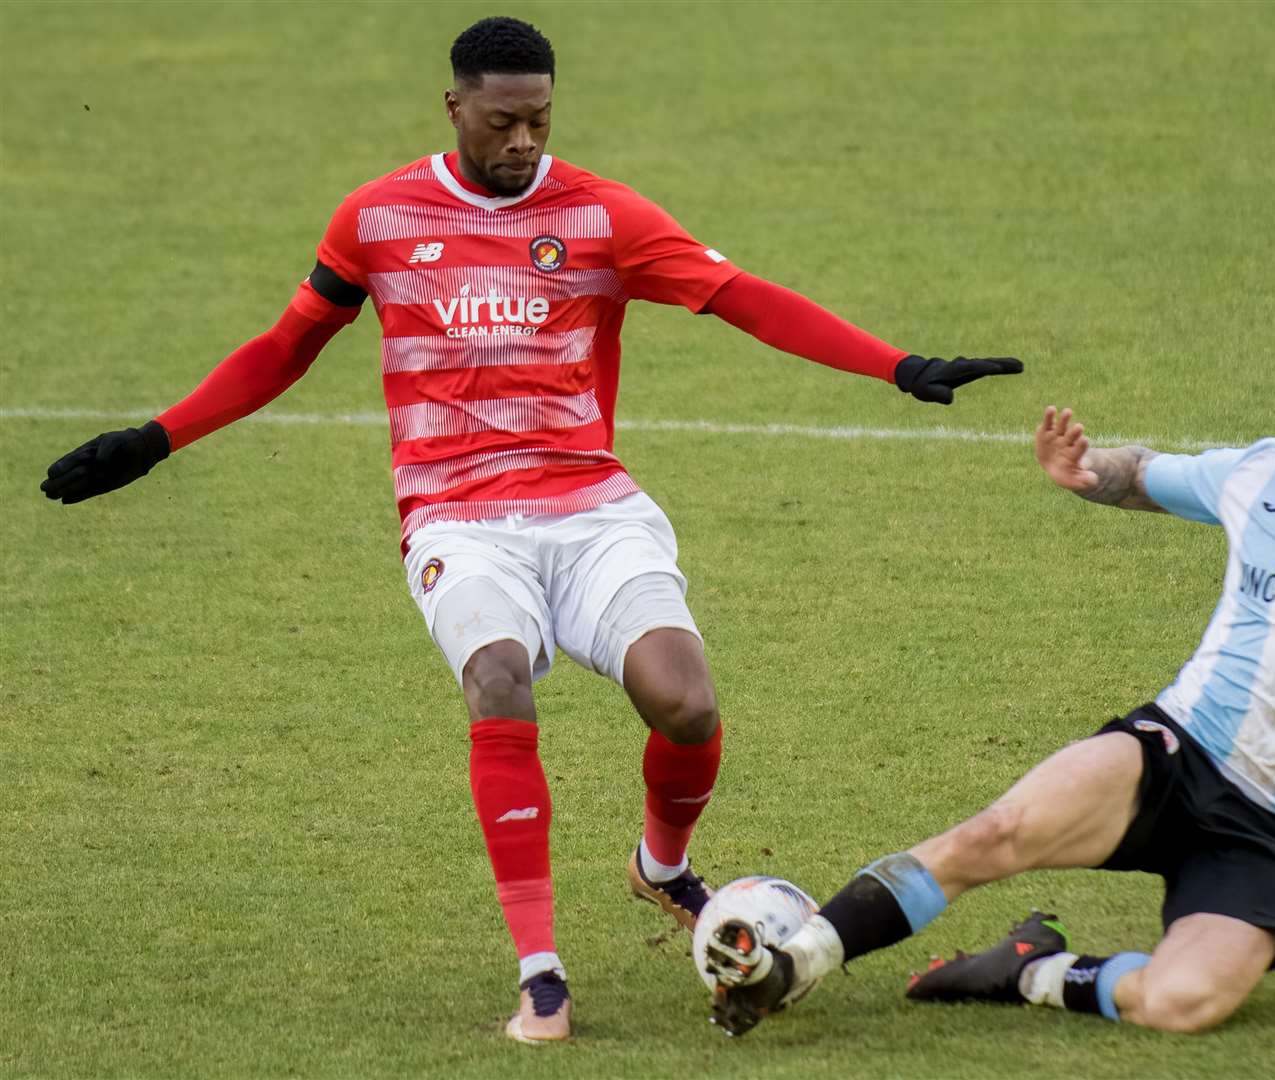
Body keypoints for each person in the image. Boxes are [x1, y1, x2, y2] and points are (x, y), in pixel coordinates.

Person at [37, 17, 1021, 1044]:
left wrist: (896, 365)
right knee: (497, 676)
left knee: (685, 704)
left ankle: (663, 868)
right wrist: (155, 439)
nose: (521, 143)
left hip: (592, 511)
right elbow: (286, 347)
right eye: (502, 122)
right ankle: (541, 973)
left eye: (539, 122)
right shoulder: (375, 218)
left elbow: (741, 299)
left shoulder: (600, 214)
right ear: (453, 107)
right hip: (455, 517)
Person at [705, 324, 1275, 1037]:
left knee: (1180, 1004)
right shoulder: (1265, 471)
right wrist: (1086, 473)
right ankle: (790, 964)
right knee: (994, 832)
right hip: (1175, 749)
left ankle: (1031, 971)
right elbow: (1145, 474)